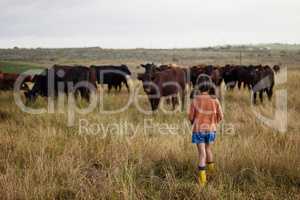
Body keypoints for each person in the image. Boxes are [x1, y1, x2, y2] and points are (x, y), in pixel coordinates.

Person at [188, 75, 223, 186]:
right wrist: (213, 122)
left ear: (198, 86)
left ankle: (203, 181)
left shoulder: (195, 100)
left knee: (202, 154)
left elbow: (190, 117)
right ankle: (212, 173)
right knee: (208, 150)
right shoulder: (215, 100)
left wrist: (193, 121)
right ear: (209, 86)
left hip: (198, 130)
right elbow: (221, 116)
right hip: (211, 130)